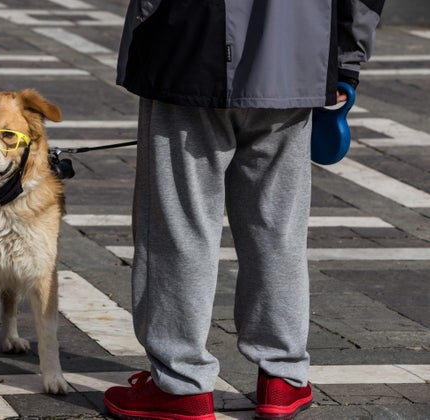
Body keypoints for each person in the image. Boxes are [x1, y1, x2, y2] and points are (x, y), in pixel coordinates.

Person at [103, 1, 384, 419]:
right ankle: (282, 377)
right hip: (296, 53)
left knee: (179, 224)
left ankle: (181, 386)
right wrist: (345, 58)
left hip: (187, 44)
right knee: (277, 229)